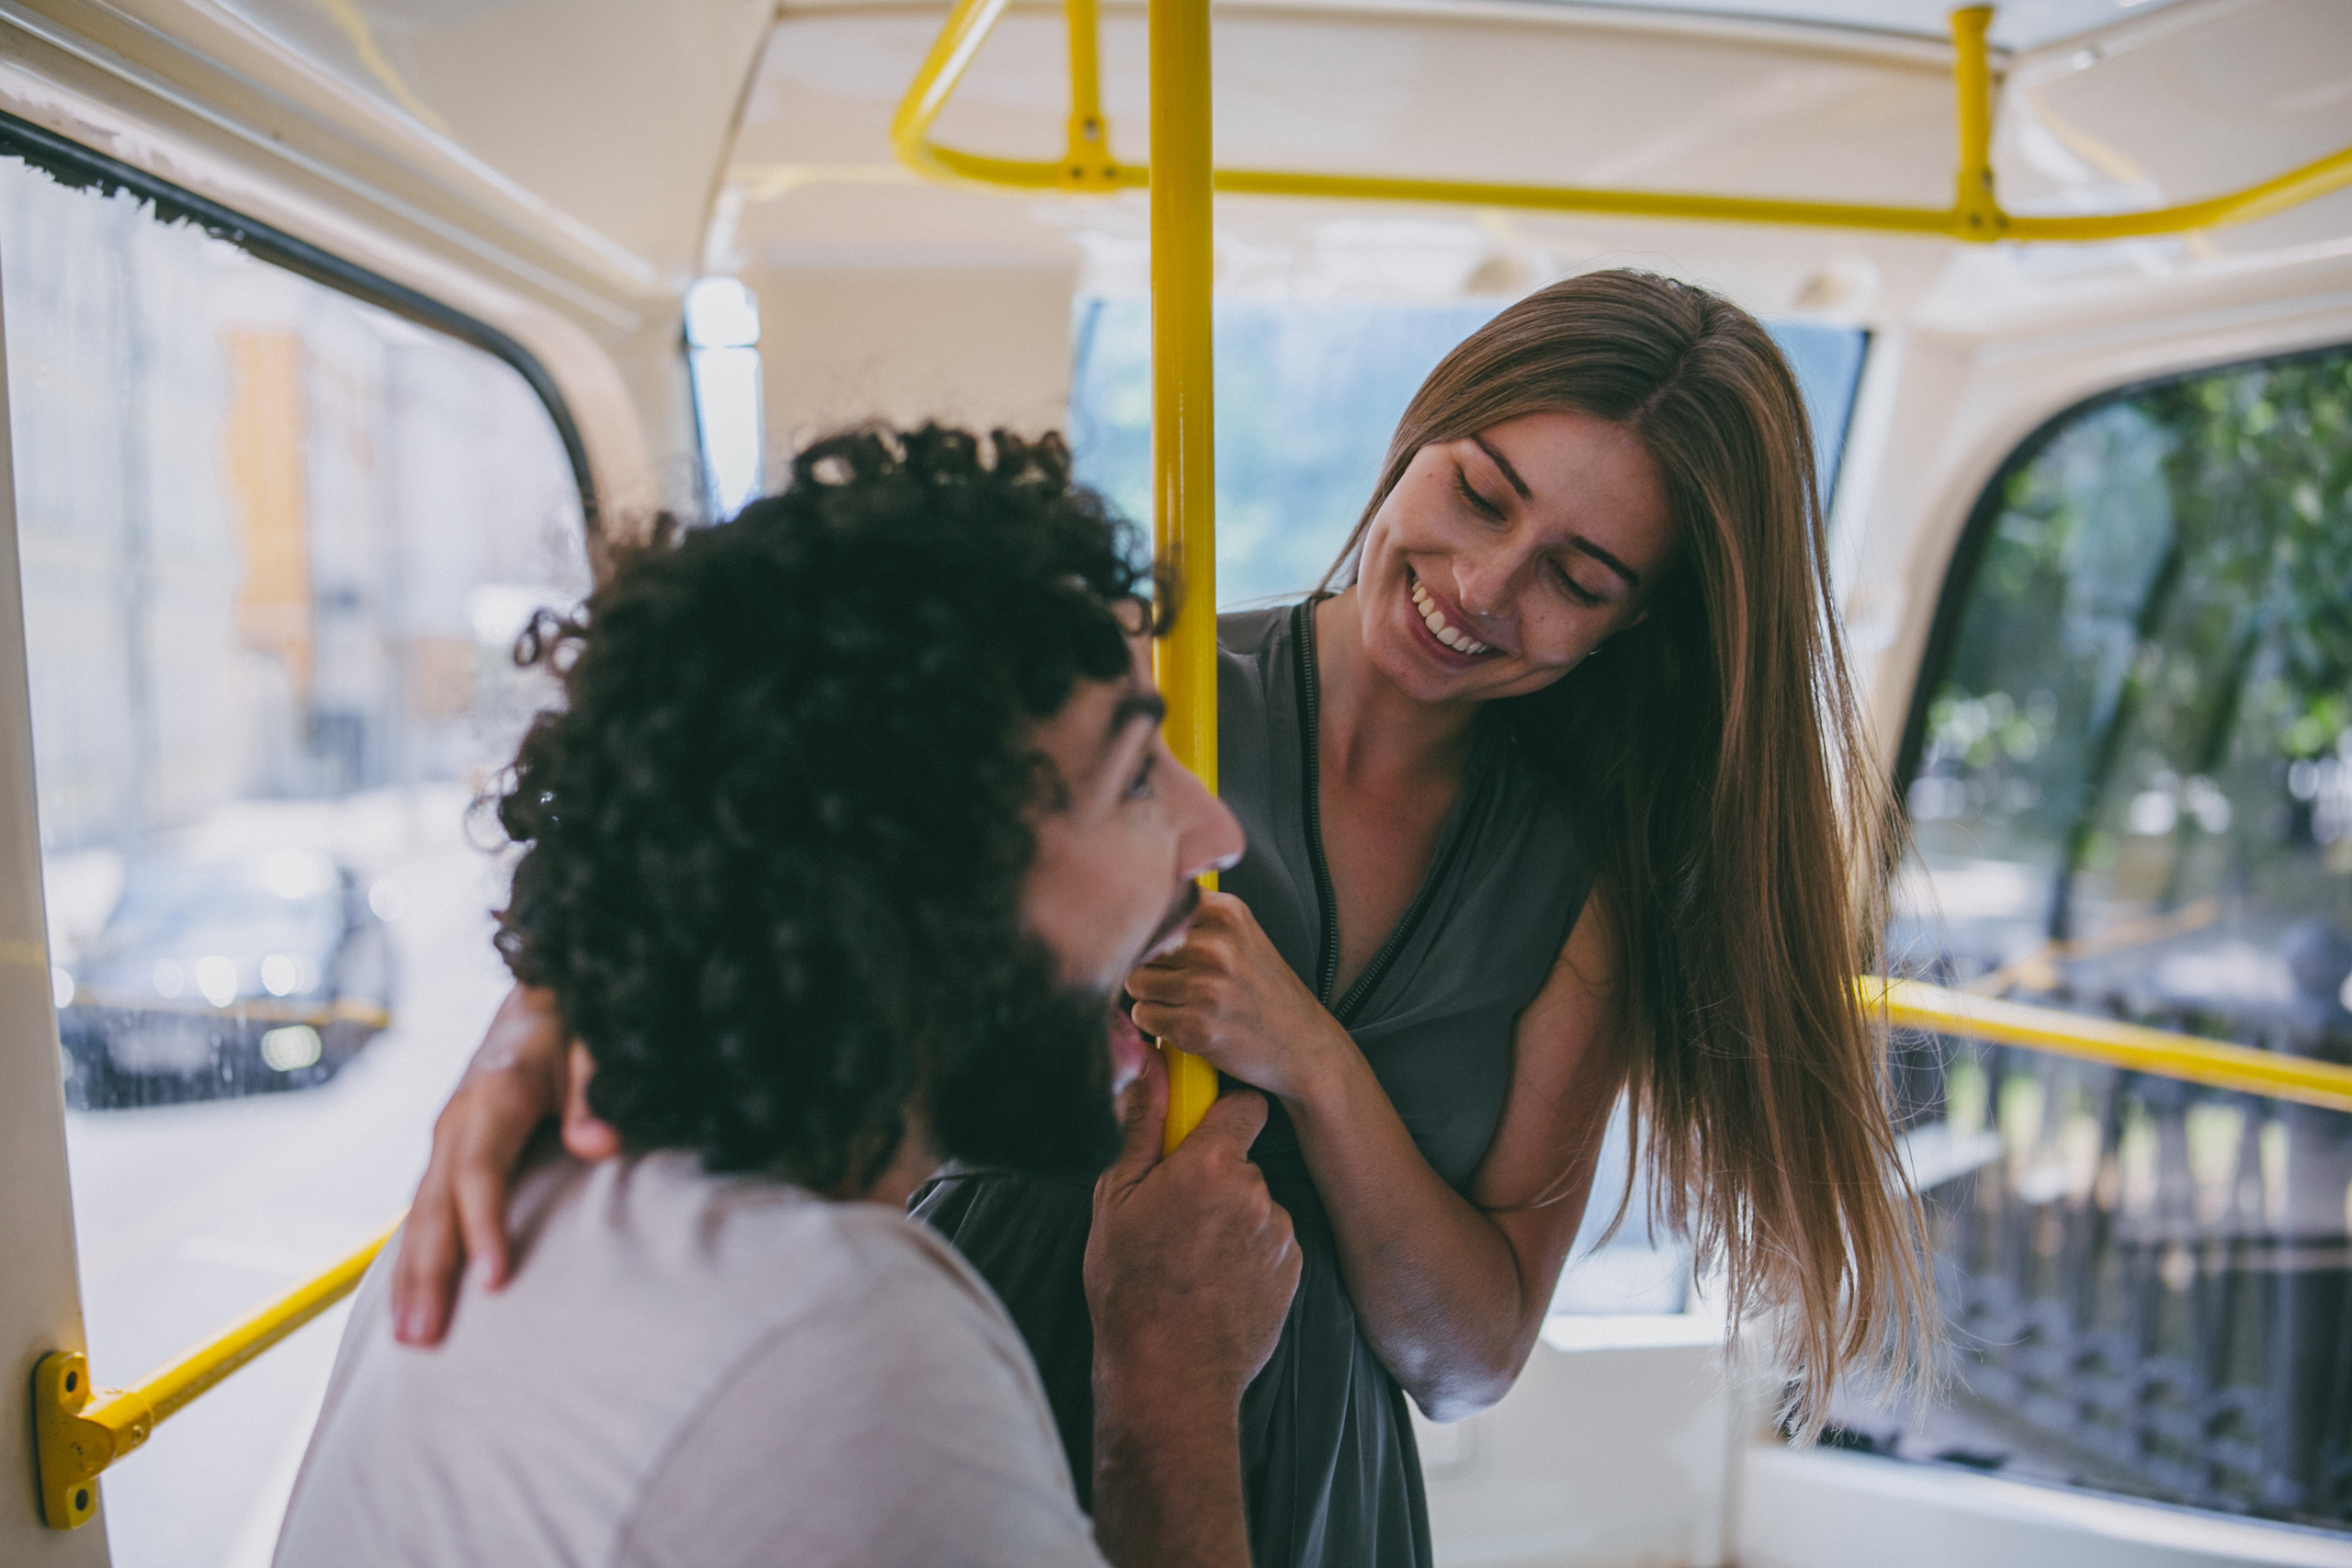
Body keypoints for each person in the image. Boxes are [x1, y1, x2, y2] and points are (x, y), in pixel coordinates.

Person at [388, 270, 1928, 1568]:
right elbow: (794, 828)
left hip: (1309, 1460)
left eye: (1574, 577)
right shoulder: (1136, 687)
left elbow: (1468, 1352)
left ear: (1637, 621)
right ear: (1419, 436)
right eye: (1477, 494)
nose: (1480, 586)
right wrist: (548, 1019)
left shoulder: (1580, 873)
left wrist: (1314, 1062)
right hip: (1004, 1319)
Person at [273, 426, 1299, 1568]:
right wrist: (1171, 1386)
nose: (1216, 832)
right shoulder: (842, 1348)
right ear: (906, 903)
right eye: (1133, 784)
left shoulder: (535, 1194)